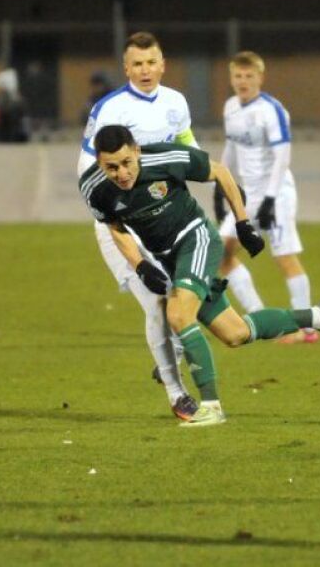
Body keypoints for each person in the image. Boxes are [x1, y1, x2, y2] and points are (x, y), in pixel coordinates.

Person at [80, 124, 320, 426]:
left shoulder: (166, 158)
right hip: (169, 258)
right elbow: (116, 227)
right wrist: (140, 266)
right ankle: (319, 317)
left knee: (179, 315)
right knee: (235, 333)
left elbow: (220, 171)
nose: (121, 173)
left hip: (196, 239)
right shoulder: (94, 188)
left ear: (137, 151)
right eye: (111, 167)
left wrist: (243, 223)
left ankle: (211, 406)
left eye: (126, 163)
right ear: (100, 164)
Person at [79, 31, 200, 423]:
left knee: (188, 294)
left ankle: (169, 356)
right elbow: (86, 166)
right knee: (157, 302)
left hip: (163, 220)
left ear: (162, 64)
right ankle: (176, 392)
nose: (145, 70)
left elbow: (187, 145)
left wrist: (206, 175)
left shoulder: (175, 102)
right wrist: (113, 206)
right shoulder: (110, 109)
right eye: (137, 64)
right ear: (126, 68)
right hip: (120, 226)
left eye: (151, 62)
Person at [214, 51, 318, 344]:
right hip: (248, 196)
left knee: (284, 257)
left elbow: (282, 156)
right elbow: (231, 148)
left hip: (277, 193)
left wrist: (271, 199)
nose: (243, 81)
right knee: (221, 254)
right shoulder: (231, 107)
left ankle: (306, 329)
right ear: (231, 78)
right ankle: (260, 317)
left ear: (260, 77)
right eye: (238, 76)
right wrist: (220, 186)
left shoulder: (272, 110)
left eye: (249, 76)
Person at [0, 68, 30, 143]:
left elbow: (3, 108)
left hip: (10, 123)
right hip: (11, 123)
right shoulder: (15, 97)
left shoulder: (9, 97)